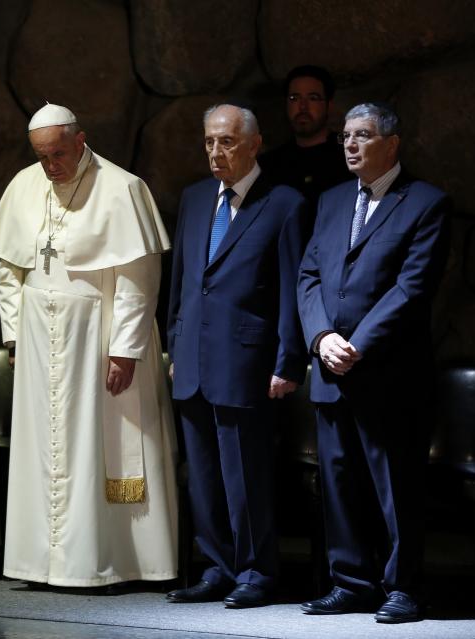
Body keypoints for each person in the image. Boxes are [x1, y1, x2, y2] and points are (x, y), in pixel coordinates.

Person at [0, 104, 178, 588]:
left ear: (81, 139)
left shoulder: (122, 187)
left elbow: (139, 276)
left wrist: (126, 348)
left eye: (59, 154)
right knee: (43, 452)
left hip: (99, 340)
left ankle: (115, 561)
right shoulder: (25, 185)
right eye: (43, 156)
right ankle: (42, 563)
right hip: (38, 343)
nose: (51, 166)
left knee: (107, 446)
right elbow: (9, 271)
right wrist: (13, 336)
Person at [298, 103, 449, 624]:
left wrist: (355, 344)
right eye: (345, 137)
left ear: (392, 142)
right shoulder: (332, 200)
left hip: (388, 373)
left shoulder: (426, 202)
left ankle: (403, 587)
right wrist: (320, 337)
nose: (350, 145)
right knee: (337, 482)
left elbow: (412, 288)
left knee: (396, 484)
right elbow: (309, 276)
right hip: (331, 369)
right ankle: (350, 583)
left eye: (362, 136)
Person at [166, 104, 308, 608]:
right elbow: (182, 279)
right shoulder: (195, 197)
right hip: (193, 358)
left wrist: (289, 360)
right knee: (202, 473)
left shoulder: (285, 202)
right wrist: (174, 344)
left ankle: (256, 571)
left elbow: (293, 288)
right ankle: (216, 566)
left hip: (248, 359)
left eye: (225, 142)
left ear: (253, 144)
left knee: (244, 473)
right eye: (208, 142)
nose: (215, 152)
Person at [260, 65, 353, 217]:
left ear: (328, 106)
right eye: (294, 98)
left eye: (313, 98)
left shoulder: (350, 156)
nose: (303, 107)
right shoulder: (269, 165)